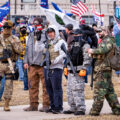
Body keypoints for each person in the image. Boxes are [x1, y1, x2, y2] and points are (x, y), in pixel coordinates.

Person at [88, 27, 120, 116]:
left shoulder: (108, 40)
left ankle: (94, 112)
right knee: (110, 93)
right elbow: (104, 54)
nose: (98, 33)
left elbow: (103, 50)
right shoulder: (106, 40)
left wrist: (92, 51)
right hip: (104, 69)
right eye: (97, 31)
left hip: (103, 70)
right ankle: (117, 110)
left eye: (100, 31)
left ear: (105, 31)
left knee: (99, 92)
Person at [35, 25, 67, 114]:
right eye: (48, 33)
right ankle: (52, 106)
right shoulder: (47, 42)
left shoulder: (60, 42)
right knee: (49, 88)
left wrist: (53, 61)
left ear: (55, 32)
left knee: (56, 88)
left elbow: (64, 54)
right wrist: (37, 40)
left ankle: (58, 107)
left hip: (56, 68)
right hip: (47, 68)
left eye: (52, 32)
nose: (50, 34)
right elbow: (37, 49)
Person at [23, 17, 50, 112]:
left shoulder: (46, 34)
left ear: (42, 24)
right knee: (32, 86)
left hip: (42, 64)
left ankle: (46, 105)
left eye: (37, 24)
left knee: (45, 86)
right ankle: (33, 105)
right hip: (32, 64)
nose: (35, 25)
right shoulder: (30, 34)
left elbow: (49, 47)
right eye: (34, 24)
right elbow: (27, 48)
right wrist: (26, 61)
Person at [63, 29, 91, 115]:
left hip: (79, 72)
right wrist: (66, 67)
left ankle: (81, 108)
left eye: (76, 34)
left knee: (78, 90)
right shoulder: (71, 44)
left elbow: (87, 58)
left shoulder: (85, 44)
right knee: (70, 91)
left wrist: (84, 68)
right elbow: (69, 57)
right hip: (71, 71)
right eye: (73, 34)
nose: (74, 36)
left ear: (80, 35)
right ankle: (73, 107)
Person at [0, 20, 23, 111]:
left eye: (8, 28)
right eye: (4, 28)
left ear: (11, 29)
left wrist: (13, 44)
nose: (6, 30)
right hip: (0, 63)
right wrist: (2, 52)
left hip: (10, 64)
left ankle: (6, 103)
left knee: (9, 85)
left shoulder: (15, 39)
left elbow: (20, 50)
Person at [16, 24, 28, 90]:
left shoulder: (28, 36)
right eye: (22, 28)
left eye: (24, 28)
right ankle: (21, 78)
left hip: (26, 55)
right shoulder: (17, 36)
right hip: (20, 54)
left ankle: (24, 80)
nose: (23, 29)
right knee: (20, 66)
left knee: (25, 69)